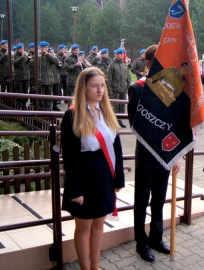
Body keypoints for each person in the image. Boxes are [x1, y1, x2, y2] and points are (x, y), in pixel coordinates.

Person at [61, 67, 125, 270]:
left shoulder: (106, 112)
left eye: (102, 86)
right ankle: (84, 268)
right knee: (84, 226)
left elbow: (117, 147)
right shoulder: (72, 116)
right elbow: (69, 157)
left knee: (99, 224)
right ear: (83, 88)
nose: (100, 90)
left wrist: (119, 178)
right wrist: (75, 189)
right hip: (84, 178)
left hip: (105, 177)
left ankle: (95, 266)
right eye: (94, 86)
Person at [127, 44, 180, 262]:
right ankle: (141, 241)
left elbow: (174, 121)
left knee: (159, 198)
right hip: (148, 155)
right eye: (159, 60)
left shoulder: (169, 86)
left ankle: (156, 237)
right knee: (142, 200)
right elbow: (134, 123)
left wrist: (176, 153)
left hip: (166, 155)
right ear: (149, 64)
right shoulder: (137, 89)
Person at [107, 48, 131, 128]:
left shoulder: (124, 65)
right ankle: (113, 121)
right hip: (115, 89)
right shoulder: (112, 65)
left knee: (122, 106)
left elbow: (128, 77)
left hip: (123, 89)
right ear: (116, 55)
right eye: (120, 54)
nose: (122, 55)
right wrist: (110, 90)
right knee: (114, 106)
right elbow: (108, 78)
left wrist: (128, 87)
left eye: (122, 54)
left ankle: (119, 120)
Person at [13, 43, 30, 109]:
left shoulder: (25, 55)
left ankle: (24, 104)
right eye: (21, 49)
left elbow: (27, 63)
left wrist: (28, 58)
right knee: (19, 91)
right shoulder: (15, 56)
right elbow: (15, 63)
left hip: (25, 77)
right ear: (18, 49)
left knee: (25, 91)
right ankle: (18, 104)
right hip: (19, 77)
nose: (22, 50)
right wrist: (22, 57)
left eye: (23, 48)